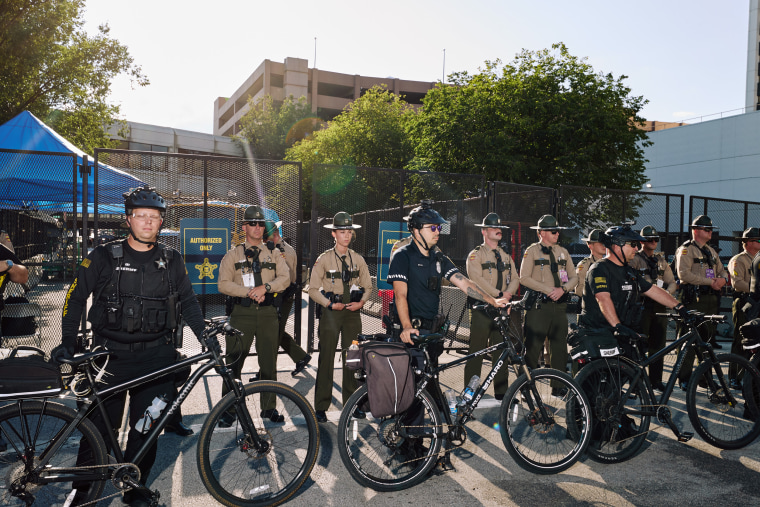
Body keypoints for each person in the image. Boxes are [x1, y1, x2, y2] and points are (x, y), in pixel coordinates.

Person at [56, 186, 206, 506]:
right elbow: (75, 299)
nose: (148, 222)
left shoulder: (172, 259)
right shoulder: (102, 256)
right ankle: (84, 491)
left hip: (156, 358)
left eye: (155, 217)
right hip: (109, 358)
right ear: (128, 219)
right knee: (97, 430)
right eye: (141, 216)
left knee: (145, 429)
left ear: (161, 222)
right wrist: (68, 341)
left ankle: (134, 488)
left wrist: (206, 337)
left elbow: (190, 302)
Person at [389, 201, 507, 346]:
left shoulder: (439, 258)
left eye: (438, 227)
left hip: (432, 330)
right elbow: (400, 294)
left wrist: (492, 301)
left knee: (431, 368)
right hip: (409, 332)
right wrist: (407, 327)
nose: (438, 231)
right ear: (416, 229)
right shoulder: (402, 255)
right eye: (432, 227)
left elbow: (464, 283)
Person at [218, 205, 290, 426]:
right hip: (242, 313)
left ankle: (268, 408)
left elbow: (285, 278)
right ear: (244, 227)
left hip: (268, 313)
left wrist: (265, 287)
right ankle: (227, 410)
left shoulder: (274, 253)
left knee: (269, 361)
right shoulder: (233, 254)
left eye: (261, 224)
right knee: (234, 362)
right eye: (253, 223)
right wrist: (248, 292)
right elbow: (223, 284)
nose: (257, 228)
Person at [309, 212, 372, 423]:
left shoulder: (358, 259)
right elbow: (312, 289)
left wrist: (362, 302)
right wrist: (328, 304)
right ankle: (320, 406)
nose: (346, 236)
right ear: (334, 234)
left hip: (352, 315)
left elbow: (368, 285)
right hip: (331, 314)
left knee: (353, 359)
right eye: (342, 232)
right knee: (326, 358)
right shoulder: (324, 259)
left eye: (349, 232)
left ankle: (352, 404)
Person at [578, 225, 683, 352]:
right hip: (599, 334)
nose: (636, 248)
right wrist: (618, 326)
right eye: (632, 244)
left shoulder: (628, 271)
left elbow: (653, 290)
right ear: (617, 245)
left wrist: (679, 307)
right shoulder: (599, 269)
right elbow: (603, 299)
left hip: (620, 333)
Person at [464, 212, 519, 400]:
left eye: (500, 228)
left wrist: (507, 295)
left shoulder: (505, 255)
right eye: (494, 228)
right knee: (477, 352)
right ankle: (469, 394)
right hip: (482, 309)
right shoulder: (476, 255)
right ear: (484, 231)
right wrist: (498, 295)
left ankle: (502, 393)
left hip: (502, 308)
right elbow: (475, 280)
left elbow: (516, 278)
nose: (498, 230)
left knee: (501, 351)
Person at [519, 215, 577, 387]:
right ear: (541, 232)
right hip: (539, 307)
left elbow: (574, 278)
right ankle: (526, 387)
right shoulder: (532, 251)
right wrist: (548, 290)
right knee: (532, 349)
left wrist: (563, 289)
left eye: (557, 231)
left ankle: (558, 388)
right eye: (553, 231)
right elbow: (524, 278)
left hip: (559, 307)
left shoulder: (563, 252)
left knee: (559, 349)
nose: (557, 234)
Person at [675, 215, 728, 390]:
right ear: (696, 230)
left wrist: (723, 280)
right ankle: (684, 379)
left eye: (711, 229)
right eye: (707, 229)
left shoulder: (711, 251)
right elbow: (684, 275)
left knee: (707, 341)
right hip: (693, 300)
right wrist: (710, 282)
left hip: (711, 299)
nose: (710, 232)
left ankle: (705, 378)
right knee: (688, 341)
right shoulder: (687, 250)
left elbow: (722, 270)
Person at [629, 225, 677, 391]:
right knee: (640, 346)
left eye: (656, 239)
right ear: (642, 241)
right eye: (650, 239)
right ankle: (637, 383)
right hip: (642, 306)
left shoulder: (661, 260)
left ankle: (656, 380)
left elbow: (672, 282)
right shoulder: (635, 259)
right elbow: (630, 282)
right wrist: (650, 292)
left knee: (659, 345)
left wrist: (664, 294)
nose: (653, 242)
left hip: (660, 307)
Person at [263, 219, 311, 376]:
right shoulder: (271, 248)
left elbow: (286, 279)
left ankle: (267, 372)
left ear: (274, 235)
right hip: (272, 297)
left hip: (282, 297)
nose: (263, 240)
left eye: (266, 237)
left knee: (274, 335)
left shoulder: (286, 251)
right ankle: (301, 357)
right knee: (275, 331)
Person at [727, 227, 760, 386]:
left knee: (755, 340)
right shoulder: (739, 260)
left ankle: (750, 375)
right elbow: (737, 283)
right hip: (744, 302)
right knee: (740, 340)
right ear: (748, 242)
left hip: (757, 303)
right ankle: (734, 376)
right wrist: (756, 289)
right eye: (757, 240)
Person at [574, 229, 605, 300]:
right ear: (590, 245)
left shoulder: (608, 263)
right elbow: (579, 290)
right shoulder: (585, 265)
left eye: (604, 243)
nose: (603, 246)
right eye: (600, 243)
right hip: (590, 304)